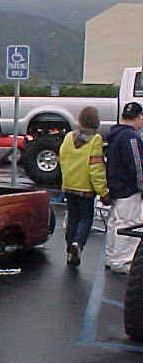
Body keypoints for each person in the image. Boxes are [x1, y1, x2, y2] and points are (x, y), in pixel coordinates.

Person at [58, 106, 109, 266]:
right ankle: (78, 244)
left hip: (69, 185)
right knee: (85, 219)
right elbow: (96, 168)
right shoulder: (96, 139)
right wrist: (103, 191)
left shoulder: (68, 137)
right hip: (85, 188)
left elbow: (62, 159)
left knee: (73, 218)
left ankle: (69, 250)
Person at [104, 101, 143, 275]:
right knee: (129, 224)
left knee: (115, 223)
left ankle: (111, 257)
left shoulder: (115, 135)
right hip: (129, 189)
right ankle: (123, 261)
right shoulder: (131, 138)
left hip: (116, 186)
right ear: (139, 117)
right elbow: (137, 165)